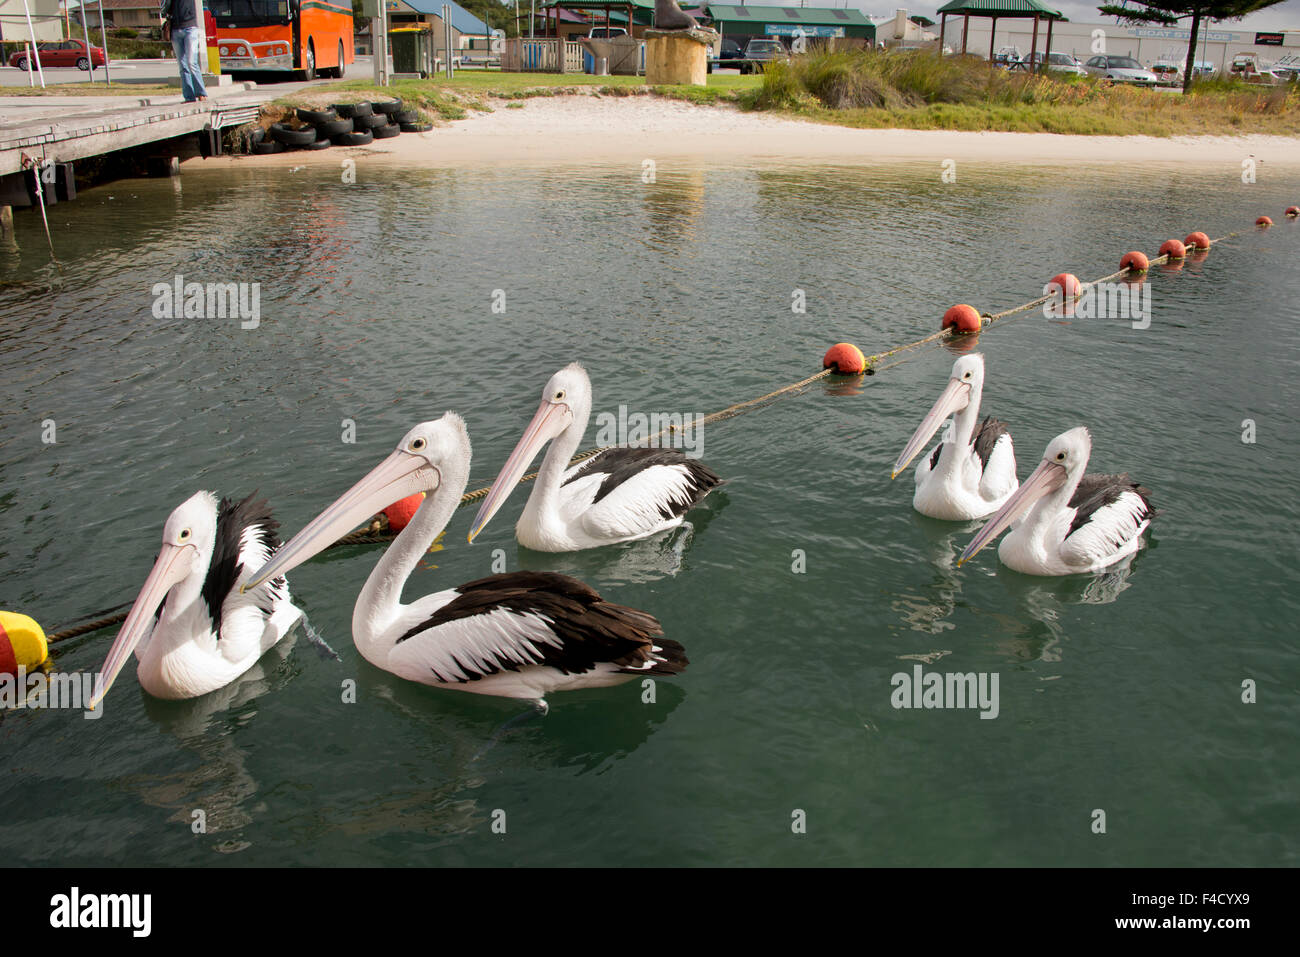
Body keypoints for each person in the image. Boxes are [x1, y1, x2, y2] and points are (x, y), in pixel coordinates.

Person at [160, 0, 208, 103]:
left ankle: (201, 93)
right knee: (182, 65)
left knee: (191, 62)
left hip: (190, 28)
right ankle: (188, 97)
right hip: (175, 29)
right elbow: (164, 8)